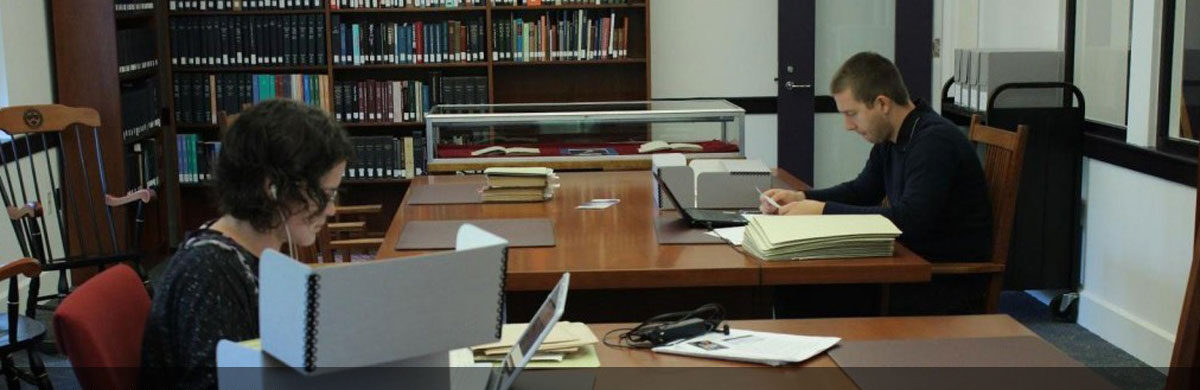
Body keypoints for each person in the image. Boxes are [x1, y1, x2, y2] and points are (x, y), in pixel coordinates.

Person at [141, 99, 353, 390]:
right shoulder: (208, 275)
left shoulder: (254, 257)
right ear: (273, 189)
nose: (331, 210)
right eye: (325, 194)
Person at [761, 52, 992, 313]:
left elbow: (911, 220)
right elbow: (862, 191)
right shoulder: (893, 138)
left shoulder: (933, 142)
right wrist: (803, 198)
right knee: (792, 283)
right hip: (906, 265)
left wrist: (822, 211)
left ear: (882, 103)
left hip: (940, 281)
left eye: (852, 113)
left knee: (798, 288)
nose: (848, 126)